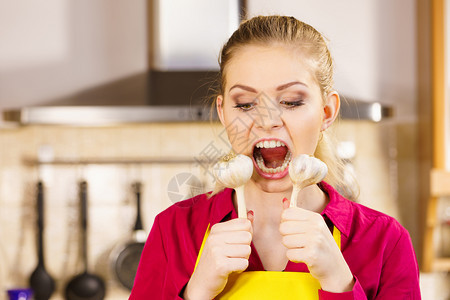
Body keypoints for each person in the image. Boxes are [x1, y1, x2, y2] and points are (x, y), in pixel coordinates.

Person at [129, 15, 421, 299]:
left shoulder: (385, 241)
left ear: (327, 112)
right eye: (245, 104)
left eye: (291, 101)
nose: (267, 121)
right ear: (223, 113)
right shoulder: (174, 231)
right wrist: (197, 292)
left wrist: (339, 283)